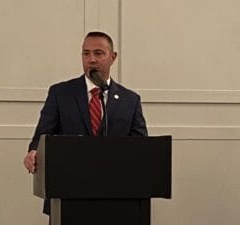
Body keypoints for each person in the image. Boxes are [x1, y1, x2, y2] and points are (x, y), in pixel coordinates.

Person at [23, 31, 148, 216]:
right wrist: (33, 152)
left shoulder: (130, 100)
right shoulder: (60, 93)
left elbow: (142, 150)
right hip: (67, 197)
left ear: (113, 57)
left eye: (98, 53)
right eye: (86, 53)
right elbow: (41, 138)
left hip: (117, 201)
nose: (91, 59)